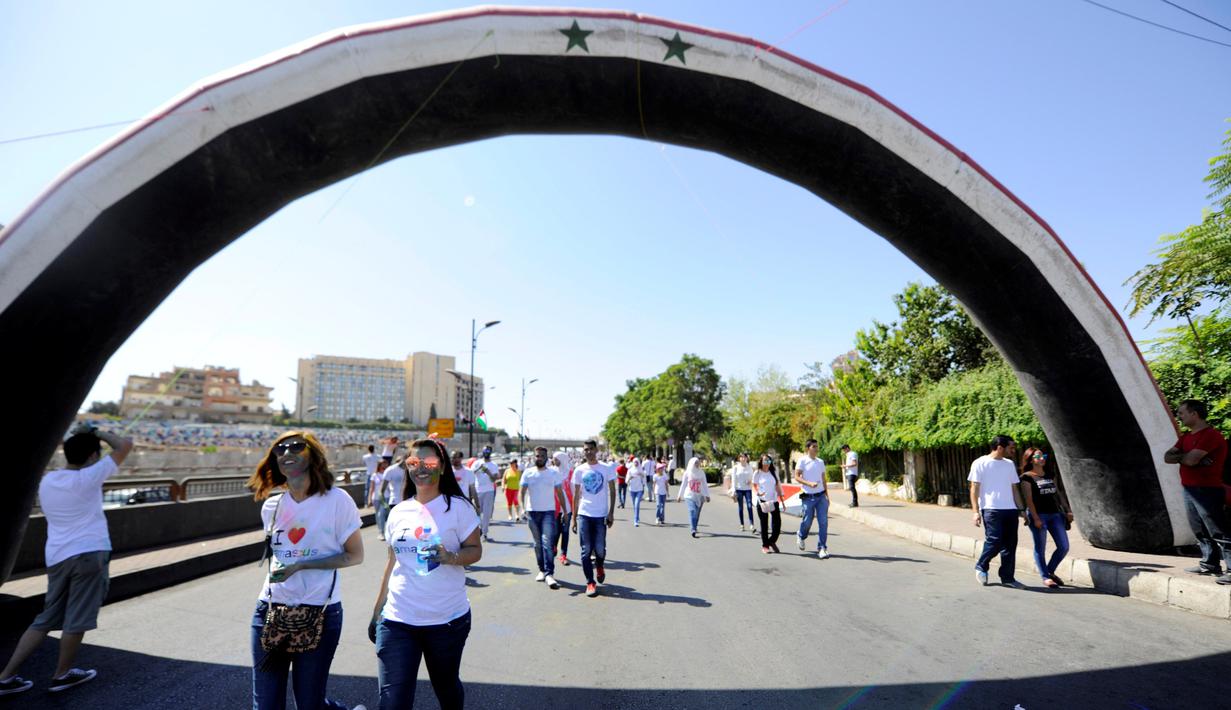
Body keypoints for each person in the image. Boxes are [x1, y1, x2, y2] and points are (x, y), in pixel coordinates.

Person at [0, 425, 133, 696]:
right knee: (77, 618)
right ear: (93, 456)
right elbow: (125, 445)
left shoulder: (49, 480)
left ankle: (6, 676)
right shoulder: (88, 478)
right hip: (88, 555)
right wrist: (96, 431)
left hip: (58, 557)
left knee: (45, 618)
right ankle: (62, 674)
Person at [247, 432, 365, 710]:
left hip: (319, 612)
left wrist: (301, 565)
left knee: (310, 704)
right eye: (279, 449)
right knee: (265, 704)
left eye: (296, 447)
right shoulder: (272, 506)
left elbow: (355, 555)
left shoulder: (337, 500)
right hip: (270, 610)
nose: (287, 453)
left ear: (313, 455)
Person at [371, 438, 482, 710]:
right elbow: (392, 563)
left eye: (429, 462)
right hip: (397, 620)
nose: (420, 468)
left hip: (446, 621)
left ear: (442, 467)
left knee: (446, 688)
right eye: (413, 462)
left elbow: (475, 550)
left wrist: (450, 557)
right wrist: (377, 612)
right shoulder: (399, 511)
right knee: (392, 702)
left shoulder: (458, 507)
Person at [1164, 399, 1231, 584]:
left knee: (1218, 529)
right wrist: (1187, 458)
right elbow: (1167, 457)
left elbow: (1191, 460)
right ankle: (1209, 564)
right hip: (1189, 488)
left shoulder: (1210, 435)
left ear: (1194, 414)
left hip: (1208, 489)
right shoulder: (1185, 437)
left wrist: (1184, 458)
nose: (1179, 416)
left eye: (1182, 413)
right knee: (1199, 529)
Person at [969, 435, 1025, 588]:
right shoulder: (980, 463)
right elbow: (974, 488)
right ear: (1000, 447)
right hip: (991, 509)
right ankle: (982, 565)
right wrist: (975, 512)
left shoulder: (1009, 464)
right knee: (994, 541)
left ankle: (1007, 578)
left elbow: (1014, 489)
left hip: (1010, 510)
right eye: (1011, 447)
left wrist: (1021, 509)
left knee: (1010, 545)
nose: (1014, 450)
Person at [1019, 447, 1073, 588]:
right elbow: (1029, 500)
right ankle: (1045, 577)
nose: (1042, 458)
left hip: (1055, 515)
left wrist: (1067, 510)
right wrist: (1036, 518)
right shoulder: (1026, 477)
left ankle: (1049, 571)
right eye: (1038, 456)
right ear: (1031, 460)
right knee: (1040, 547)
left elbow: (1058, 493)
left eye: (1043, 455)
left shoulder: (1049, 474)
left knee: (1064, 546)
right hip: (1039, 515)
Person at [571, 440, 617, 597]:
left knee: (600, 549)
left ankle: (600, 565)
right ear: (583, 452)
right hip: (584, 514)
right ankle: (590, 582)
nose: (588, 452)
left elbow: (612, 491)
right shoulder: (579, 470)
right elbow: (576, 496)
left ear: (596, 450)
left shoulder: (606, 468)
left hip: (600, 515)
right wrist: (574, 518)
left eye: (591, 449)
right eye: (586, 450)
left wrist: (611, 513)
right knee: (585, 550)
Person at [520, 447, 570, 589]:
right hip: (532, 513)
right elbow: (521, 492)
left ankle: (549, 574)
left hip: (548, 512)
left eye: (542, 456)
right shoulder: (528, 473)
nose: (540, 458)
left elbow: (560, 493)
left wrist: (565, 511)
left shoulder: (553, 473)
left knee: (547, 543)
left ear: (546, 458)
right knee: (537, 544)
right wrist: (522, 508)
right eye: (537, 455)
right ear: (534, 457)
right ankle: (541, 570)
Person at [793, 439, 830, 558]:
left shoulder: (820, 462)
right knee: (807, 521)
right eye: (813, 446)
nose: (816, 448)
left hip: (821, 496)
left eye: (817, 446)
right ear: (808, 448)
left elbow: (823, 479)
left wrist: (827, 495)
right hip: (808, 497)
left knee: (823, 523)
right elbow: (796, 477)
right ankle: (801, 535)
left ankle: (822, 548)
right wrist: (809, 483)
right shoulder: (802, 461)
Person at [752, 454, 786, 553]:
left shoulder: (774, 472)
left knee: (777, 524)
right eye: (765, 461)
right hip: (762, 501)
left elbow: (778, 485)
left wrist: (782, 500)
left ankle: (771, 541)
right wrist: (757, 492)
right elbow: (753, 485)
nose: (767, 463)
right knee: (764, 524)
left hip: (773, 500)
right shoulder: (758, 473)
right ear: (761, 462)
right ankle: (765, 545)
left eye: (768, 461)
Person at [676, 457, 712, 538]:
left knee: (697, 513)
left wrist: (707, 495)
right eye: (696, 463)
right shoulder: (687, 473)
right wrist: (679, 495)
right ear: (692, 463)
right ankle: (693, 529)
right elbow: (683, 484)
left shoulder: (701, 472)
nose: (697, 464)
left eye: (698, 462)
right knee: (692, 511)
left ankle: (695, 526)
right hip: (689, 495)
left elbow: (705, 484)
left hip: (700, 496)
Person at [470, 447, 500, 542]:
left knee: (487, 513)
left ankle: (484, 533)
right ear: (482, 452)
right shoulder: (477, 463)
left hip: (489, 491)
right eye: (485, 451)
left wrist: (488, 472)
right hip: (478, 491)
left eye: (488, 451)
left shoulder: (493, 465)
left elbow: (494, 479)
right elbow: (470, 474)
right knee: (477, 513)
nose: (486, 452)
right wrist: (479, 468)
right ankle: (478, 530)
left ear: (490, 452)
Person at [553, 451, 574, 567]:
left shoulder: (570, 473)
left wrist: (575, 510)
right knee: (556, 531)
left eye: (556, 459)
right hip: (555, 507)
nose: (554, 461)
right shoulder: (552, 472)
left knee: (565, 531)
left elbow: (574, 492)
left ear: (562, 459)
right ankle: (554, 547)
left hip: (568, 508)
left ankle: (563, 555)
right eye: (554, 459)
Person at [726, 453, 755, 532]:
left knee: (749, 506)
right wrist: (733, 490)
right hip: (739, 489)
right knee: (741, 507)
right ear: (739, 459)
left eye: (744, 457)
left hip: (748, 489)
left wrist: (750, 481)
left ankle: (752, 525)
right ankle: (742, 524)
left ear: (747, 458)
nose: (743, 458)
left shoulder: (749, 467)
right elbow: (734, 479)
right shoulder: (736, 467)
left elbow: (753, 477)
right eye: (741, 457)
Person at [451, 450, 479, 515]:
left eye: (458, 457)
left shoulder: (469, 471)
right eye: (454, 457)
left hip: (464, 503)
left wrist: (477, 505)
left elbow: (473, 489)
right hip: (451, 504)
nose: (456, 459)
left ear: (461, 458)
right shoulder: (447, 472)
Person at [627, 454, 647, 527]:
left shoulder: (641, 470)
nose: (636, 463)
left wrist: (642, 475)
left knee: (637, 504)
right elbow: (626, 481)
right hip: (632, 489)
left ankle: (635, 521)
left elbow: (644, 480)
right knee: (634, 505)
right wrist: (630, 478)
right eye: (634, 462)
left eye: (637, 462)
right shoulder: (630, 470)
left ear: (639, 463)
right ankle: (637, 516)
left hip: (639, 489)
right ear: (633, 462)